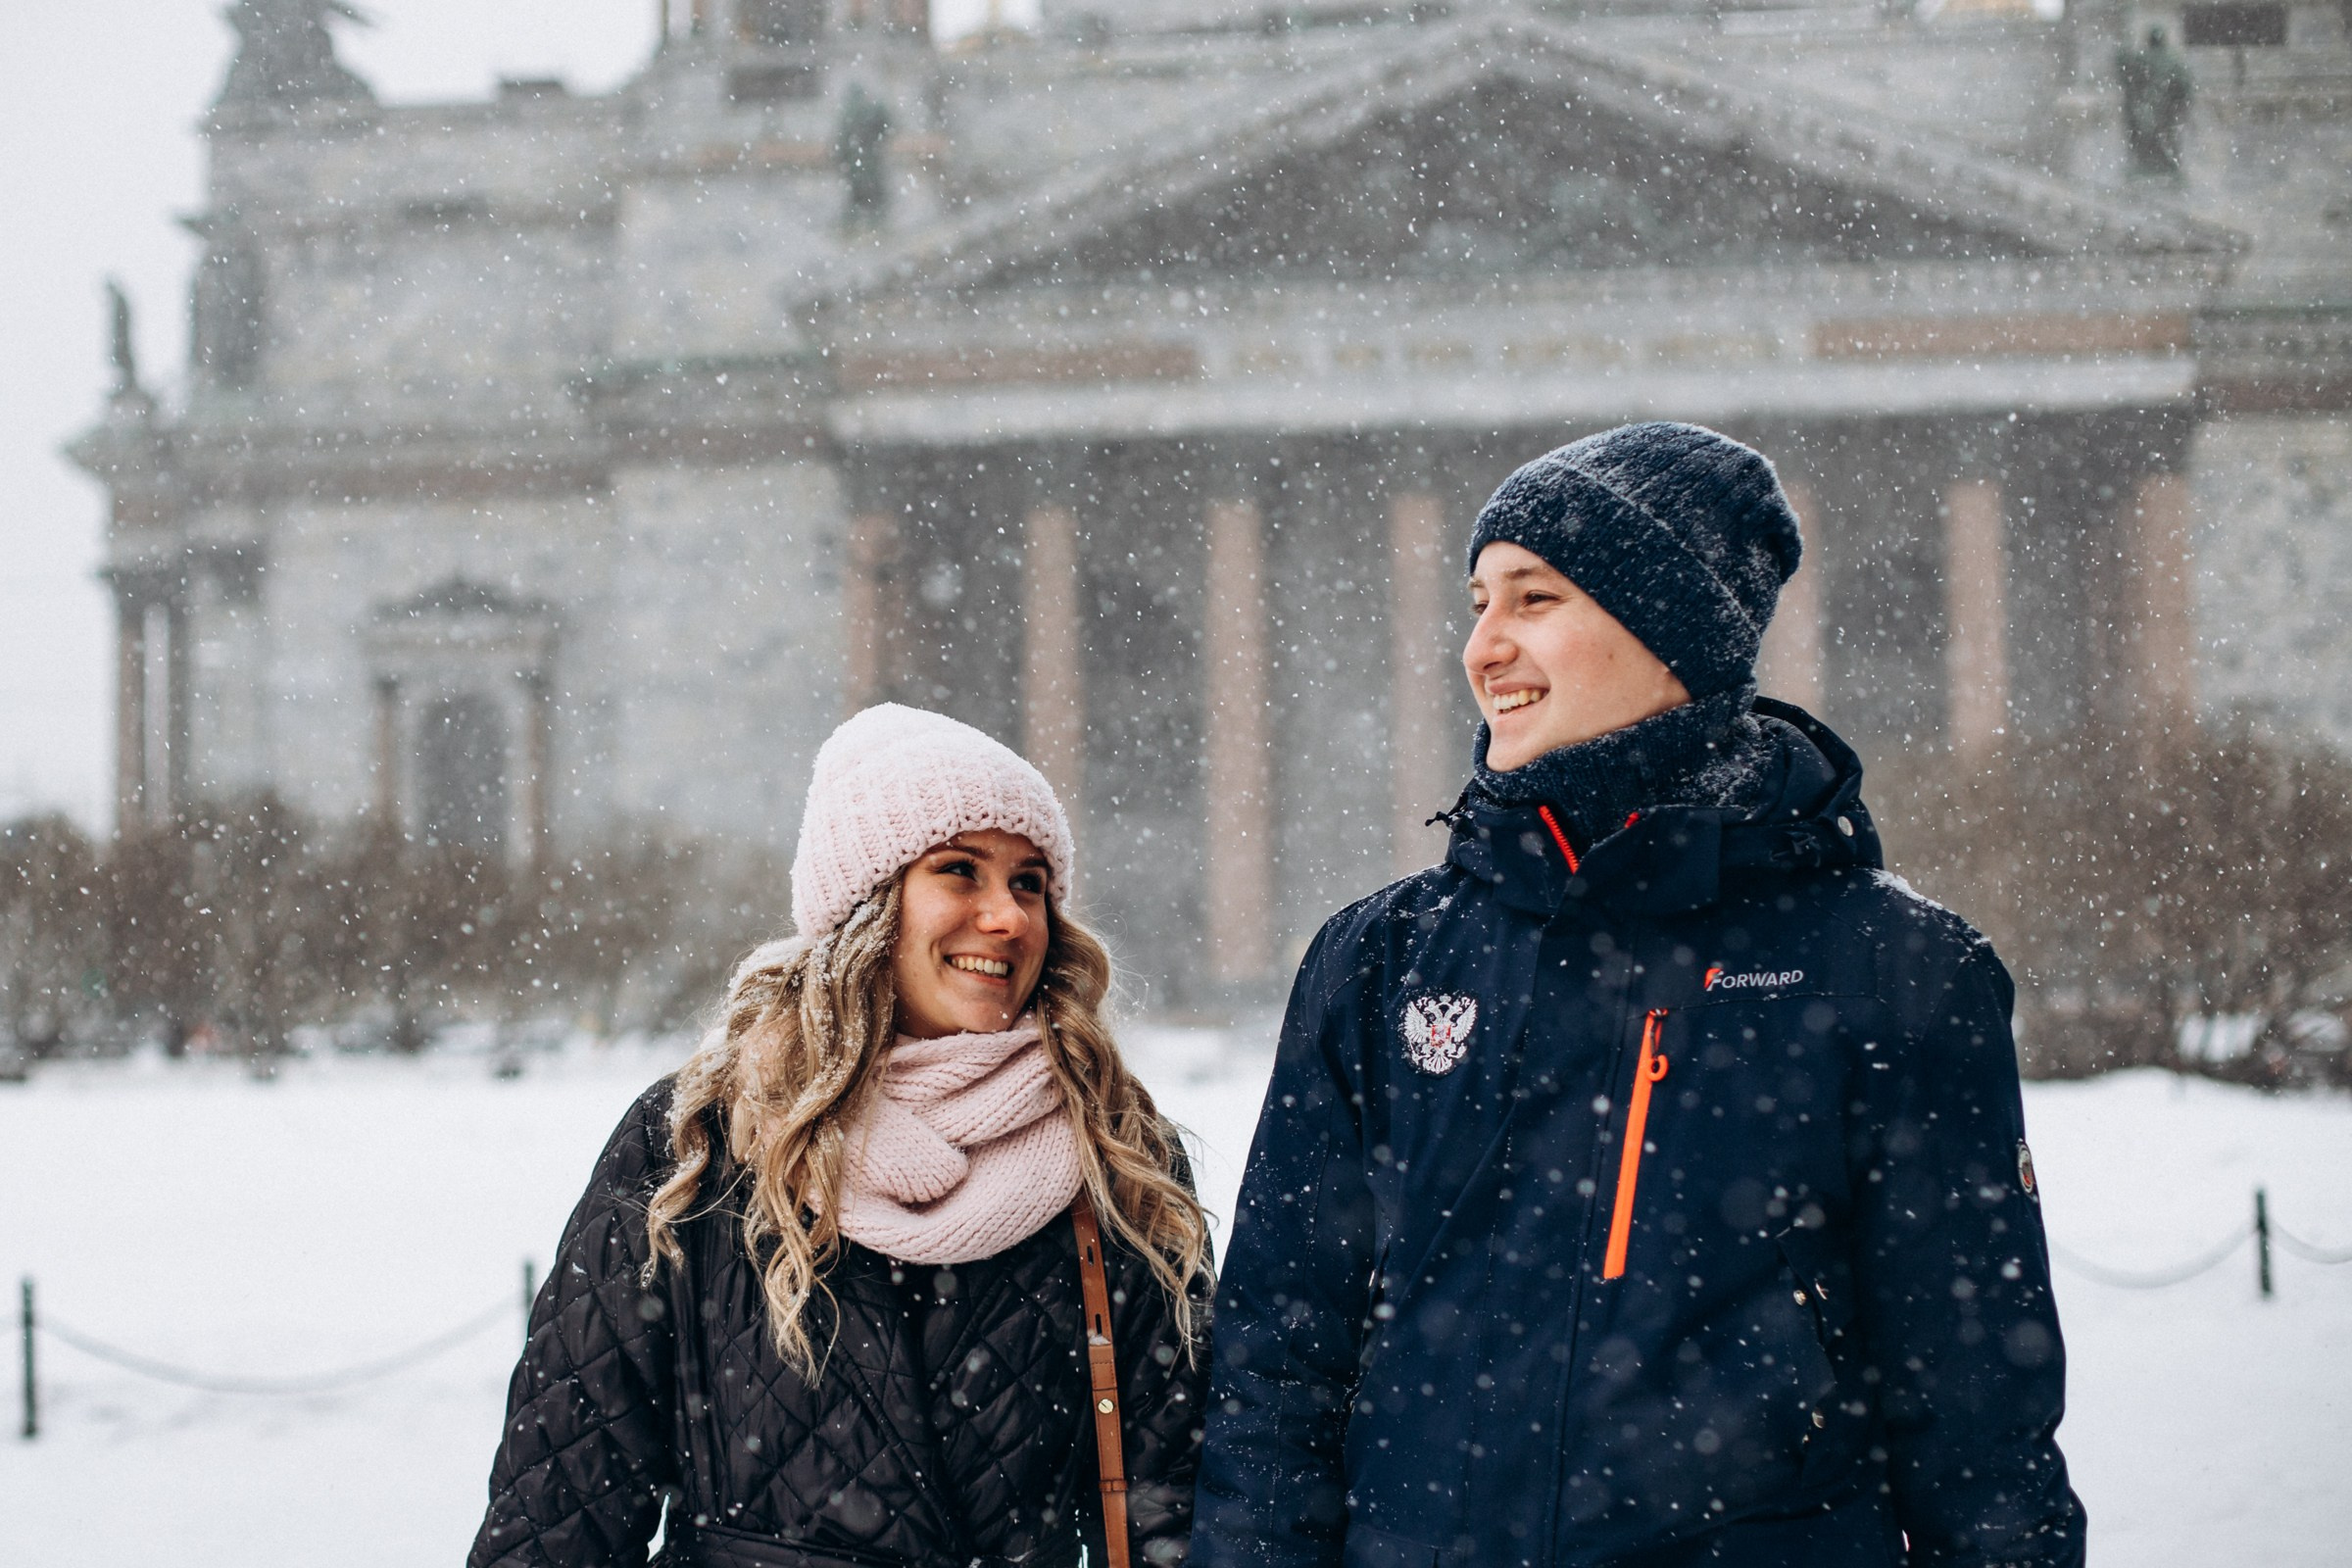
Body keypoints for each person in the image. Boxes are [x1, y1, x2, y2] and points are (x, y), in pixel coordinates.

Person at [1192, 423, 2084, 1568]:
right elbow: (1275, 1382)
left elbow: (1982, 1442)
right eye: (1478, 603)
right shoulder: (1380, 960)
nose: (1483, 647)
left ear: (1670, 630)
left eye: (1534, 598)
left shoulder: (1893, 969)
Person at [471, 704, 1214, 1568]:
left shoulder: (1116, 1154)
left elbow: (1178, 1502)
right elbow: (564, 1505)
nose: (1010, 917)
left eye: (1030, 883)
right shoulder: (699, 1142)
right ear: (867, 906)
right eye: (960, 870)